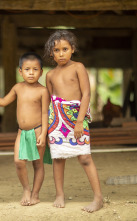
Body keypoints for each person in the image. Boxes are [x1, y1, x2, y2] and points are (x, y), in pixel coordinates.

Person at [44, 30, 103, 212]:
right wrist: (46, 128)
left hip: (77, 116)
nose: (61, 54)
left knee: (84, 157)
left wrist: (79, 122)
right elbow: (49, 101)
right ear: (51, 53)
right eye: (56, 50)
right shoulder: (50, 75)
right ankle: (59, 194)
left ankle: (98, 198)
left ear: (72, 49)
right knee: (58, 158)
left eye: (65, 49)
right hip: (57, 119)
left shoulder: (78, 67)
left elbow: (86, 93)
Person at [0, 52, 50, 206]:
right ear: (20, 71)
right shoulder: (18, 87)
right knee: (18, 162)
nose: (31, 73)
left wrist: (43, 134)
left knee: (37, 164)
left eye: (35, 69)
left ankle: (36, 194)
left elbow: (45, 113)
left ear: (41, 71)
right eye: (27, 69)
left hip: (38, 130)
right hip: (22, 132)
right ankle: (26, 189)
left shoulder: (43, 91)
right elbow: (4, 101)